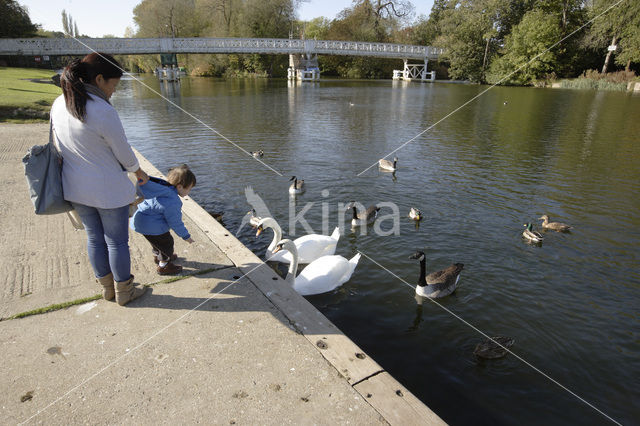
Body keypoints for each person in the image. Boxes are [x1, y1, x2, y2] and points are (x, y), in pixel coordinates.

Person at [51, 52, 149, 306]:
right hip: (108, 191)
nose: (114, 91)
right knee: (117, 241)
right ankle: (125, 291)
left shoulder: (59, 103)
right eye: (113, 85)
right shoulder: (102, 110)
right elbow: (124, 153)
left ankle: (107, 289)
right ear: (99, 79)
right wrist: (138, 172)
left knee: (94, 237)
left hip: (75, 187)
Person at [130, 165, 196, 275]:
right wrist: (186, 236)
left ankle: (158, 256)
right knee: (167, 243)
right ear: (179, 187)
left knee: (156, 241)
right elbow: (175, 223)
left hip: (141, 222)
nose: (189, 192)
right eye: (189, 188)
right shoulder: (172, 201)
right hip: (151, 225)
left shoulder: (162, 189)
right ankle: (164, 265)